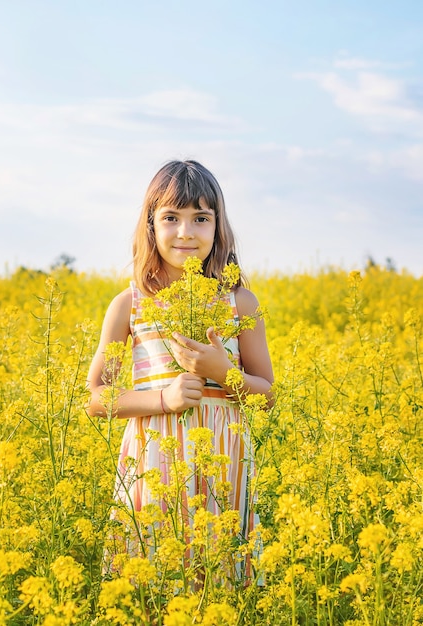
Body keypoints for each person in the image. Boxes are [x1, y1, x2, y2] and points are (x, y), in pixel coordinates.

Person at [87, 160, 274, 576]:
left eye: (200, 218)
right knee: (150, 583)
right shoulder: (129, 305)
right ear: (151, 226)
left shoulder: (239, 302)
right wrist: (163, 399)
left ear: (218, 227)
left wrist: (223, 372)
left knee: (223, 582)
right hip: (154, 462)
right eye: (171, 218)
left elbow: (267, 397)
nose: (186, 232)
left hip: (224, 465)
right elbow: (95, 398)